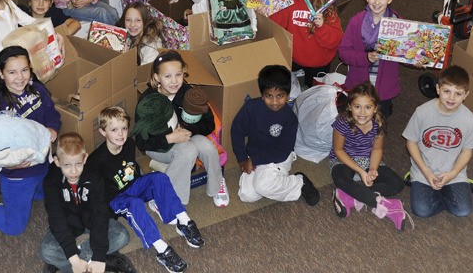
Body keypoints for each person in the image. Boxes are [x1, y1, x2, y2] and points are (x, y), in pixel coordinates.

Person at [86, 106, 204, 273]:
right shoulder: (96, 160)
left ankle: (183, 221)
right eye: (114, 130)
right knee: (134, 204)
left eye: (124, 129)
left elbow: (140, 159)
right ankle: (162, 250)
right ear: (103, 132)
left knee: (159, 177)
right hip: (115, 199)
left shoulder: (129, 144)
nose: (121, 134)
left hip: (134, 186)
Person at [0, 46, 61, 236]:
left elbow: (51, 113)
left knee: (42, 195)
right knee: (14, 228)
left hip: (42, 162)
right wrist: (10, 167)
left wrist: (53, 128)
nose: (20, 77)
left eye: (24, 70)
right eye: (12, 72)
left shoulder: (37, 88)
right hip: (17, 174)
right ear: (0, 73)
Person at [135, 51, 229, 207]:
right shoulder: (148, 101)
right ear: (157, 77)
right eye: (167, 76)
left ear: (183, 73)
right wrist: (170, 138)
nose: (174, 81)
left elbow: (209, 124)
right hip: (158, 146)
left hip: (185, 137)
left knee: (206, 146)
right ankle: (166, 195)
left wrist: (188, 129)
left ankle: (217, 183)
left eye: (178, 75)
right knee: (188, 151)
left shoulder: (188, 92)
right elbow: (141, 142)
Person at [39, 132, 134, 273]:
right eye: (66, 165)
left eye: (78, 163)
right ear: (57, 162)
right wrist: (74, 258)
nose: (73, 171)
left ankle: (67, 266)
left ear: (85, 158)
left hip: (92, 221)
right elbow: (56, 219)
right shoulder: (51, 182)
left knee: (122, 236)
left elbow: (100, 214)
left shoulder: (94, 176)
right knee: (46, 251)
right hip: (67, 224)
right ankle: (92, 262)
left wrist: (99, 257)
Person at [230, 64, 319, 205]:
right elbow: (237, 131)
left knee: (262, 186)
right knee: (247, 196)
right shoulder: (250, 108)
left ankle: (299, 183)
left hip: (277, 158)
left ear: (288, 95)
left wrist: (254, 160)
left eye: (280, 96)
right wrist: (242, 159)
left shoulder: (289, 118)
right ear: (262, 95)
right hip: (254, 153)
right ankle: (273, 181)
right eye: (269, 96)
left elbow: (283, 151)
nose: (275, 102)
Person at [403, 65, 473, 219]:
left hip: (453, 172)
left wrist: (452, 174)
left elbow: (467, 150)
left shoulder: (468, 119)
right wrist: (425, 171)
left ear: (466, 95)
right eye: (447, 91)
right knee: (421, 210)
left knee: (463, 211)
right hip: (424, 170)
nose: (451, 98)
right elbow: (411, 142)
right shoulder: (422, 112)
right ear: (437, 89)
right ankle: (416, 178)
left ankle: (455, 186)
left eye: (458, 94)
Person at [330, 82, 407, 229]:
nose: (362, 112)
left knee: (397, 183)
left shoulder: (379, 123)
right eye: (357, 106)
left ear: (375, 108)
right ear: (349, 107)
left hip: (368, 159)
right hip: (344, 160)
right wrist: (360, 171)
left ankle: (350, 195)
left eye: (368, 107)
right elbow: (338, 151)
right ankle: (386, 205)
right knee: (340, 178)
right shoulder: (342, 122)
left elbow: (377, 150)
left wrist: (372, 169)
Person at [265, 0, 343, 88]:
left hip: (318, 61)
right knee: (281, 81)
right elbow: (275, 25)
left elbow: (334, 41)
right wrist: (265, 11)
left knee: (314, 93)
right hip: (294, 56)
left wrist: (322, 27)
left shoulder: (328, 9)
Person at [338, 0, 400, 118]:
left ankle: (385, 107)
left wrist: (416, 60)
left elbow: (404, 53)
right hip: (359, 83)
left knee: (379, 122)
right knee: (357, 119)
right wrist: (365, 58)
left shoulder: (397, 24)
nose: (377, 3)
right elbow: (343, 52)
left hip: (384, 86)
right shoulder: (356, 22)